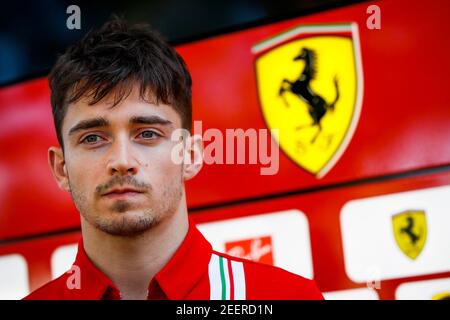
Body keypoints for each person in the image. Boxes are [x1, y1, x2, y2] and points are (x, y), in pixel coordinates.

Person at [24, 17, 324, 300]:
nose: (122, 160)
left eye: (148, 134)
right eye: (93, 138)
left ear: (191, 155)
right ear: (61, 168)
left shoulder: (285, 295)